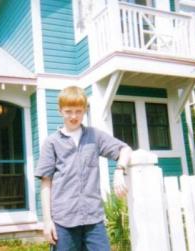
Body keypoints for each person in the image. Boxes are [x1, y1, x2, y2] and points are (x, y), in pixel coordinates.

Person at [35, 86, 132, 251]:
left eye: (78, 111)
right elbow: (46, 183)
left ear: (85, 110)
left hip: (93, 220)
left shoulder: (94, 136)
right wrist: (47, 221)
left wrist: (119, 171)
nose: (74, 116)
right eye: (68, 111)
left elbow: (125, 149)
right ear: (60, 111)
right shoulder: (51, 142)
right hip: (63, 221)